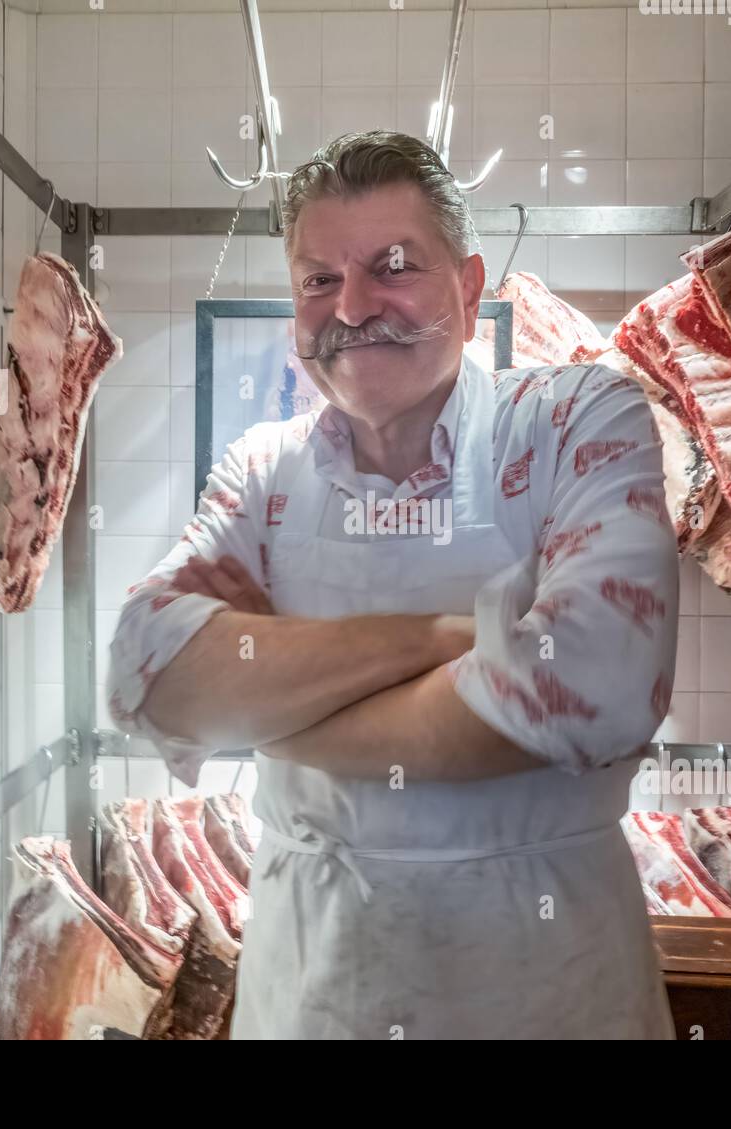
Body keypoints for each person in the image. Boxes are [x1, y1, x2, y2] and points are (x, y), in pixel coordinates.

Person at [106, 130, 679, 1039]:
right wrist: (446, 640)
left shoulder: (574, 419)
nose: (354, 306)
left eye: (393, 266)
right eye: (319, 280)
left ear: (470, 284)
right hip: (314, 990)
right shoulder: (265, 468)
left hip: (546, 983)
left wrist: (273, 716)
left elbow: (591, 683)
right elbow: (146, 671)